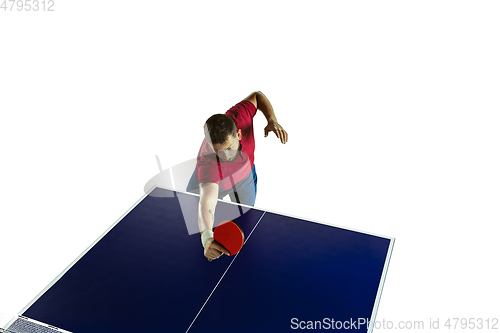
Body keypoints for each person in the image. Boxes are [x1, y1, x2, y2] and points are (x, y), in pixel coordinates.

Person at [186, 91, 288, 261]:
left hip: (245, 178)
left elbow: (257, 96)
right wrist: (206, 238)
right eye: (219, 151)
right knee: (192, 215)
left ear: (239, 134)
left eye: (229, 148)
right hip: (216, 183)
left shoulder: (241, 116)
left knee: (246, 220)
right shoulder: (208, 162)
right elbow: (207, 202)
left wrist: (272, 120)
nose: (225, 156)